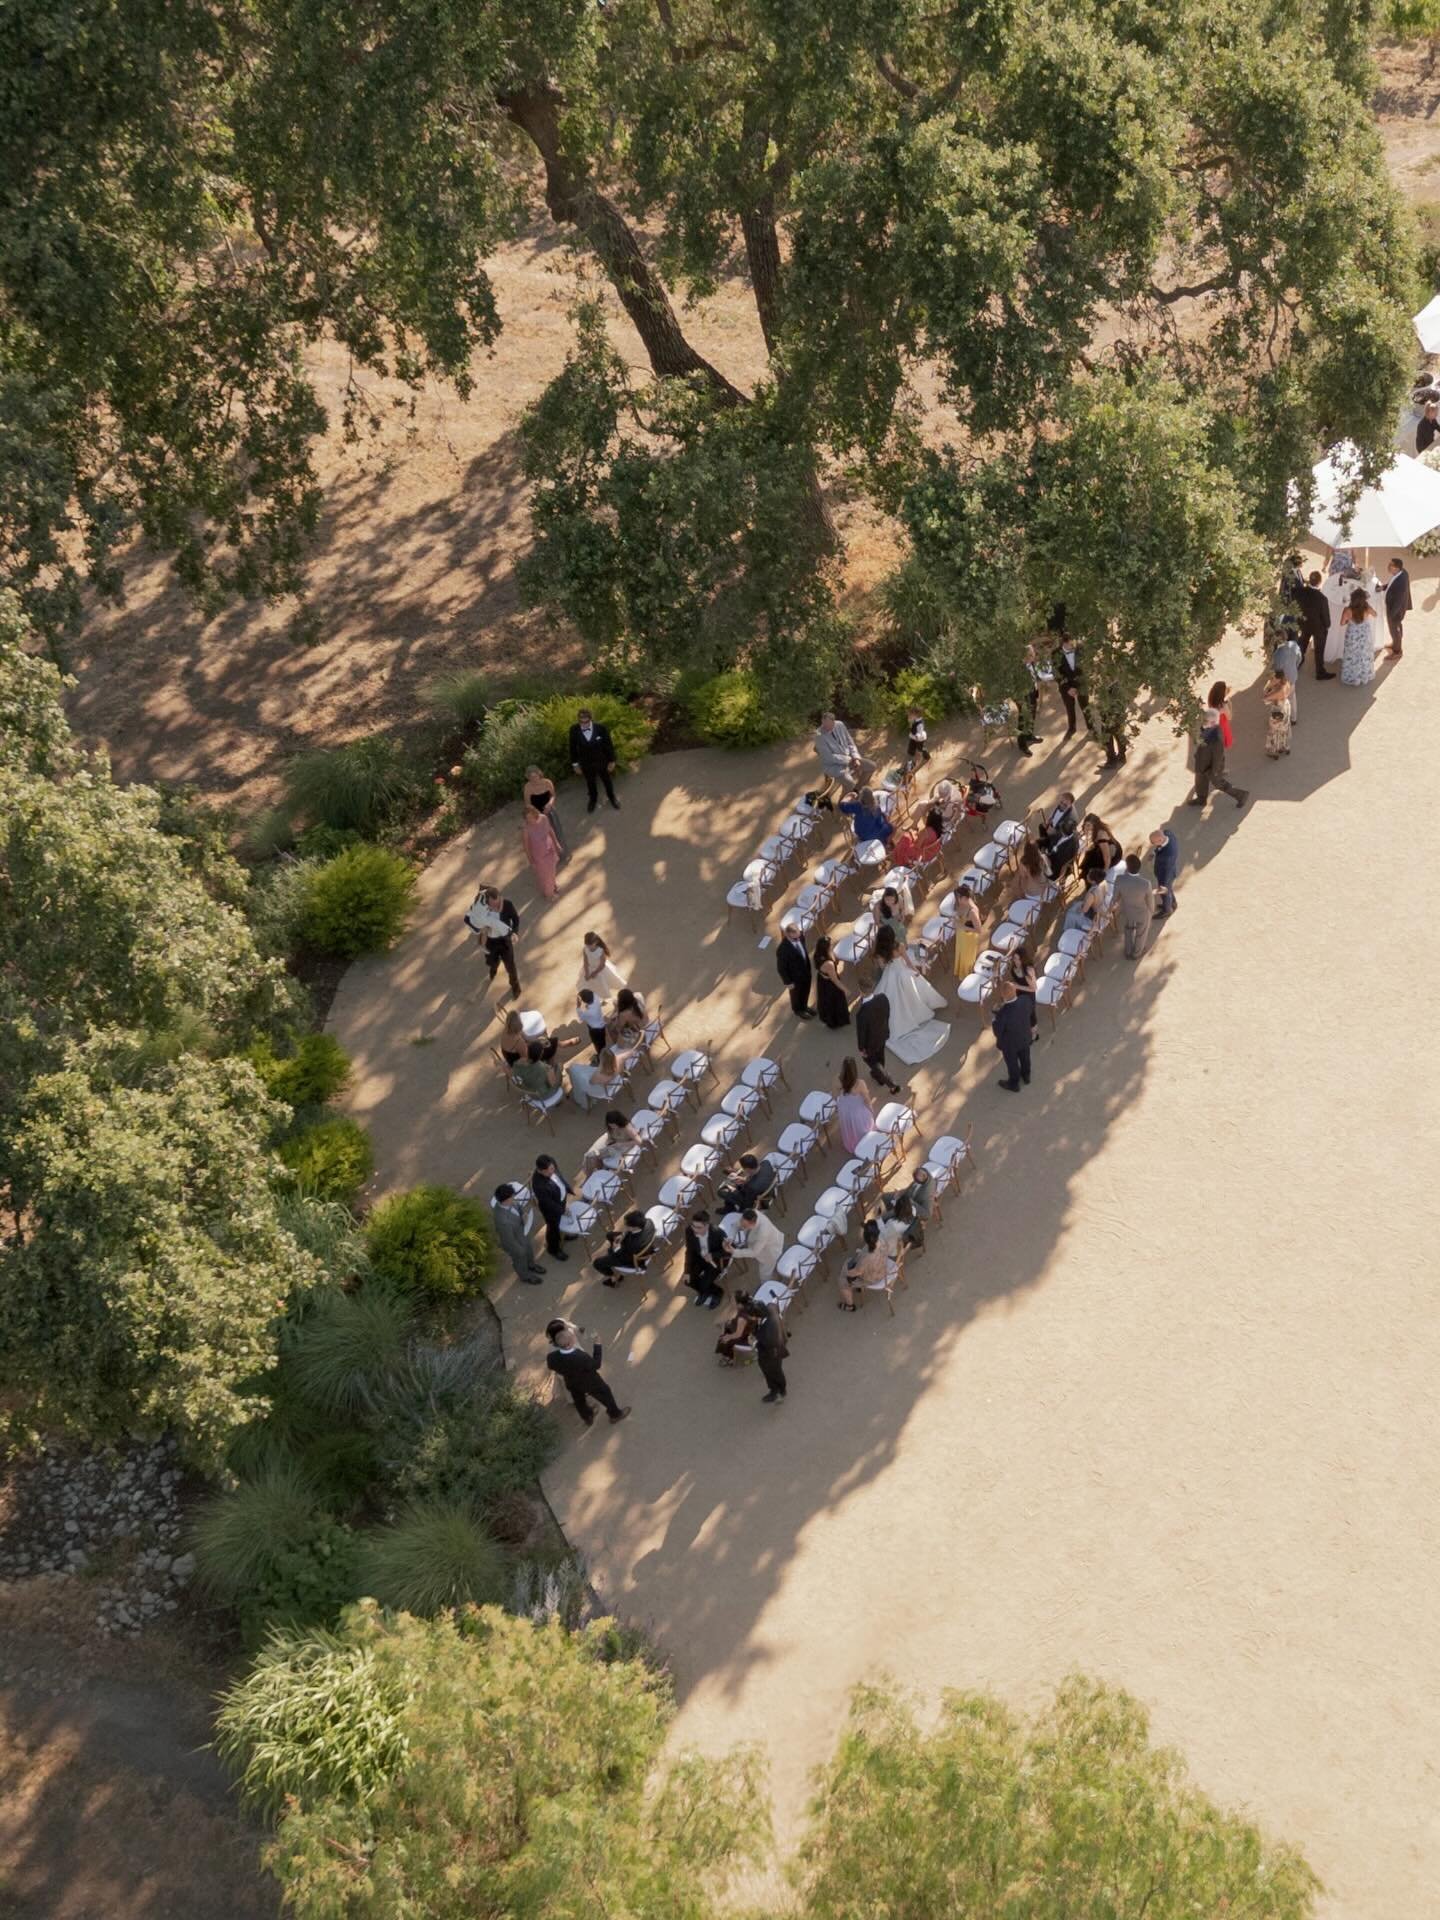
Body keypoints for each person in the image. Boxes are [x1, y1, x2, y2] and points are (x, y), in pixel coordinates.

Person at [546, 1319, 629, 1426]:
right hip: (590, 1382)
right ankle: (615, 1414)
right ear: (570, 1343)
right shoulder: (580, 1356)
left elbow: (551, 1366)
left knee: (579, 1401)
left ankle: (587, 1417)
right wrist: (597, 1345)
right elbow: (596, 1365)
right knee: (605, 1393)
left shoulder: (552, 1357)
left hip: (572, 1383)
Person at [874, 921, 946, 1043]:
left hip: (890, 974)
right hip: (902, 973)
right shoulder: (900, 946)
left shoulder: (879, 952)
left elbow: (882, 967)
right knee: (911, 994)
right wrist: (915, 971)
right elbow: (908, 962)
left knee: (892, 998)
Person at [1188, 682, 1249, 809]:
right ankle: (1201, 798)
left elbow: (1217, 753)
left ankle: (1240, 795)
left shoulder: (1220, 711)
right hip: (1206, 752)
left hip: (1214, 750)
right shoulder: (1211, 713)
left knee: (1216, 780)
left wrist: (1216, 768)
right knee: (1200, 774)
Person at [852, 968, 901, 1095]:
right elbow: (887, 1014)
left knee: (872, 1062)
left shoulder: (862, 1014)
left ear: (861, 991)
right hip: (883, 1034)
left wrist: (861, 1048)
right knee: (880, 1055)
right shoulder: (883, 998)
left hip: (870, 1044)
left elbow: (861, 1034)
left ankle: (891, 1083)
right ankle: (878, 1077)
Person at [1049, 612, 1095, 737]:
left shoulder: (1079, 648)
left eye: (1074, 643)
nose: (1073, 646)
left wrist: (1078, 684)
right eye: (1070, 644)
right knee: (1070, 708)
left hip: (1081, 682)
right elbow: (1056, 673)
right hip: (1066, 686)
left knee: (1085, 707)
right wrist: (1068, 688)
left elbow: (1086, 666)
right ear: (1064, 643)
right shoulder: (1055, 654)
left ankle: (1091, 729)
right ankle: (1072, 728)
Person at [568, 707, 619, 811]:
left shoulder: (601, 728)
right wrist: (575, 765)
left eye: (586, 721)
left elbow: (608, 745)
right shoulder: (574, 730)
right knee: (590, 782)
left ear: (591, 719)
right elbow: (572, 748)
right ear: (578, 720)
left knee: (607, 780)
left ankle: (612, 797)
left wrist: (612, 760)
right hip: (586, 763)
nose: (584, 724)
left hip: (602, 761)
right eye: (581, 722)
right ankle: (593, 800)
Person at [493, 1184, 546, 1284]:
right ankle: (525, 1276)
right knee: (520, 1259)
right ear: (505, 1200)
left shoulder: (511, 1202)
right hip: (514, 1241)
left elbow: (518, 1208)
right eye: (512, 1196)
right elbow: (508, 1240)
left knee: (529, 1250)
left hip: (522, 1233)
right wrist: (519, 1250)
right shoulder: (502, 1220)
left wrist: (523, 1215)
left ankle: (531, 1265)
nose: (514, 1198)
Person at [813, 711, 869, 802]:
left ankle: (857, 789)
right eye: (824, 725)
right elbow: (829, 757)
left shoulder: (840, 725)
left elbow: (850, 742)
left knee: (871, 766)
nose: (826, 728)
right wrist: (850, 760)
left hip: (850, 757)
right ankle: (842, 802)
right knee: (850, 783)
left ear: (834, 722)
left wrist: (856, 757)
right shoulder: (818, 735)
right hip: (833, 766)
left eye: (829, 725)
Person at [476, 888, 521, 999]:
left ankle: (515, 987)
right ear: (487, 900)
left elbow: (515, 919)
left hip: (504, 940)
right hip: (491, 942)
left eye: (497, 902)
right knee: (491, 960)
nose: (496, 905)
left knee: (510, 965)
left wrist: (515, 932)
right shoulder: (482, 907)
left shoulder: (507, 904)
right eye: (493, 902)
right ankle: (493, 969)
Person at [594, 1209, 656, 1286]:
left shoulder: (631, 1246)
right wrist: (623, 1235)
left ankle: (613, 1278)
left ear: (634, 1227)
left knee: (597, 1263)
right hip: (641, 1245)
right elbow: (629, 1232)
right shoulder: (649, 1222)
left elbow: (622, 1257)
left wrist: (612, 1250)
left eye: (626, 1225)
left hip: (631, 1260)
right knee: (610, 1235)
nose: (625, 1226)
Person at [991, 980, 1032, 1093]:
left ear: (1003, 996)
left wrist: (994, 1017)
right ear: (1015, 991)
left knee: (1012, 1063)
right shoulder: (1025, 1000)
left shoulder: (1002, 1014)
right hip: (1024, 1037)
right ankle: (1026, 1075)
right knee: (1025, 1057)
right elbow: (1029, 1012)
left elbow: (997, 1032)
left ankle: (1014, 1083)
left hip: (1010, 1044)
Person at [532, 1155, 576, 1260]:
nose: (553, 1171)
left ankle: (564, 1235)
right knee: (553, 1229)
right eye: (549, 1171)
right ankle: (553, 1249)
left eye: (553, 1168)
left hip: (560, 1200)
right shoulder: (539, 1185)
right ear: (540, 1170)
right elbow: (548, 1203)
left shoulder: (551, 1163)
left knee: (562, 1222)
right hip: (551, 1209)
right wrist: (562, 1210)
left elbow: (558, 1175)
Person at [1112, 853, 1154, 960]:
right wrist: (1151, 912)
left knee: (1128, 930)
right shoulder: (1145, 883)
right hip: (1142, 913)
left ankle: (1128, 950)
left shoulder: (1119, 879)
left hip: (1127, 910)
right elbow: (1150, 902)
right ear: (1139, 867)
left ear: (1127, 867)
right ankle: (1136, 953)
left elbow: (1115, 898)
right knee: (1141, 933)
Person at [749, 1293, 790, 1404]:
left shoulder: (767, 1331)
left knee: (774, 1372)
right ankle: (775, 1390)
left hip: (772, 1354)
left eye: (751, 1315)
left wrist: (754, 1341)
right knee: (771, 1372)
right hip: (771, 1350)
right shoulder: (770, 1308)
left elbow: (767, 1344)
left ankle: (779, 1391)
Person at [684, 1208, 728, 1308]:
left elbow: (729, 1251)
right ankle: (704, 1292)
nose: (695, 1229)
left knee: (704, 1282)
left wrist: (713, 1255)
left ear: (707, 1226)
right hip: (700, 1258)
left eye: (698, 1227)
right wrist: (687, 1271)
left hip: (715, 1261)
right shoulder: (689, 1231)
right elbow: (689, 1251)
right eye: (693, 1226)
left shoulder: (718, 1233)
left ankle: (718, 1293)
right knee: (688, 1280)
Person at [838, 1220, 886, 1310]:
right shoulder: (882, 1240)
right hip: (882, 1268)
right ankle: (858, 1288)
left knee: (842, 1280)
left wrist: (845, 1272)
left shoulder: (866, 1258)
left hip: (872, 1278)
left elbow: (857, 1272)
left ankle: (850, 1306)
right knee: (851, 1262)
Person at [1294, 571, 1332, 678]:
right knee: (1319, 649)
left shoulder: (1300, 592)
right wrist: (1327, 625)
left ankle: (1297, 662)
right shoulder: (1322, 598)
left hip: (1304, 623)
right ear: (1320, 582)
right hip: (1318, 627)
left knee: (1303, 642)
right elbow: (1325, 616)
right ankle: (1320, 672)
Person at [521, 803, 562, 899]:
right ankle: (549, 894)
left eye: (531, 817)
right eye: (527, 819)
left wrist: (557, 844)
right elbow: (526, 848)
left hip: (550, 848)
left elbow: (550, 830)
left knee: (552, 869)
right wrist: (531, 861)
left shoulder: (543, 818)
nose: (530, 820)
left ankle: (553, 885)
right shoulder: (526, 830)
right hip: (539, 856)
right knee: (545, 875)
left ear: (535, 813)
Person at [523, 764, 567, 855]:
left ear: (539, 774)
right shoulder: (527, 788)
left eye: (535, 776)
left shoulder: (547, 782)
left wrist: (550, 804)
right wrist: (539, 814)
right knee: (545, 836)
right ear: (528, 778)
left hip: (550, 811)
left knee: (556, 831)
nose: (534, 779)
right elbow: (528, 805)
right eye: (531, 778)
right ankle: (551, 855)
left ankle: (561, 851)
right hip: (537, 816)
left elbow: (553, 795)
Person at [1339, 584, 1378, 687]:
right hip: (1365, 633)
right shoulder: (1367, 607)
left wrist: (1349, 622)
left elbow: (1342, 623)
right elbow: (1375, 614)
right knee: (1364, 653)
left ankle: (1352, 676)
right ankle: (1364, 675)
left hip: (1352, 634)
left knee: (1352, 654)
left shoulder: (1348, 610)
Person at [730, 1207, 782, 1281]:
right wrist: (730, 1238)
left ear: (752, 1223)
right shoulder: (748, 1215)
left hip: (769, 1251)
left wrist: (734, 1252)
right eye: (741, 1221)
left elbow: (754, 1252)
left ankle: (766, 1286)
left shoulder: (763, 1232)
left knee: (764, 1274)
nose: (742, 1226)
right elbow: (735, 1225)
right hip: (759, 1244)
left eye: (744, 1226)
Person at [776, 920, 815, 1021]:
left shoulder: (800, 936)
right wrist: (788, 982)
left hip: (806, 971)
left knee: (806, 990)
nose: (799, 937)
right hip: (795, 978)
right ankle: (798, 1010)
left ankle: (805, 1006)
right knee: (796, 995)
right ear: (788, 935)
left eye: (799, 934)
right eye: (796, 936)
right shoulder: (782, 949)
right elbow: (781, 968)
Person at [837, 1056, 878, 1152]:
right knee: (862, 1127)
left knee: (849, 1126)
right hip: (856, 1111)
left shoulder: (837, 1079)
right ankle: (863, 1144)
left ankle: (852, 1141)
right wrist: (871, 1109)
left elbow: (836, 1095)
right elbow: (866, 1099)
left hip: (844, 1109)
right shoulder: (860, 1083)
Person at [1036, 793, 1079, 878]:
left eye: (1065, 804)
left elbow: (1060, 860)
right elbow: (1055, 812)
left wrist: (1047, 856)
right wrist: (1049, 821)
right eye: (1061, 802)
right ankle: (1042, 848)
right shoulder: (1061, 806)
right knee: (1040, 829)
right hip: (1054, 840)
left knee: (1040, 867)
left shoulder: (1071, 819)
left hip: (1056, 861)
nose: (1061, 805)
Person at [569, 1047, 625, 1111]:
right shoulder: (618, 1065)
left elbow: (591, 1082)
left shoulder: (598, 1074)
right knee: (584, 1070)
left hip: (604, 1091)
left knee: (575, 1071)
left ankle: (579, 1098)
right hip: (616, 1084)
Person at [814, 934, 850, 1029]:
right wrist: (845, 989)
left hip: (823, 980)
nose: (832, 945)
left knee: (826, 1000)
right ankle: (835, 1021)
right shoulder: (828, 964)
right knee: (833, 1002)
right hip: (830, 984)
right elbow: (835, 980)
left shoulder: (818, 954)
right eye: (830, 945)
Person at [577, 931, 627, 997]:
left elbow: (602, 965)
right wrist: (586, 973)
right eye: (587, 945)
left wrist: (595, 973)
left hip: (600, 970)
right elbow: (585, 961)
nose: (589, 947)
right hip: (589, 968)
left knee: (603, 984)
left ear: (596, 942)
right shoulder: (585, 949)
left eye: (590, 945)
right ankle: (595, 998)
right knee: (590, 985)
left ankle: (604, 997)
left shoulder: (601, 951)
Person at [1078, 815, 1122, 888]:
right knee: (1089, 855)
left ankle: (1091, 882)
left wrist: (1103, 874)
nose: (1086, 827)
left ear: (1095, 825)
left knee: (1093, 865)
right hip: (1102, 849)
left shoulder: (1101, 835)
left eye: (1088, 825)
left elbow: (1107, 858)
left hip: (1112, 856)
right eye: (1085, 824)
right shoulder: (1094, 830)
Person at [951, 883, 984, 979]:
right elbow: (957, 910)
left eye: (958, 898)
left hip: (968, 938)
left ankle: (966, 975)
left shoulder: (973, 912)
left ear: (964, 898)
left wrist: (961, 926)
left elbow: (979, 930)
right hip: (961, 934)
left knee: (966, 957)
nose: (956, 900)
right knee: (960, 952)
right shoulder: (962, 903)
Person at [1271, 626, 1302, 725]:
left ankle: (1280, 719)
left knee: (1281, 699)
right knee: (1292, 697)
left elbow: (1277, 668)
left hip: (1283, 680)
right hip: (1293, 676)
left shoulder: (1278, 654)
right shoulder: (1294, 645)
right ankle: (1294, 718)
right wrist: (1295, 667)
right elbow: (1299, 658)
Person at [1384, 556, 1412, 658]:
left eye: (1390, 565)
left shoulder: (1401, 582)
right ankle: (1395, 643)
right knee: (1396, 628)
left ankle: (1397, 651)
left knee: (1394, 629)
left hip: (1395, 610)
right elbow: (1392, 584)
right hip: (1396, 608)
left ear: (1396, 568)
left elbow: (1399, 600)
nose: (1388, 566)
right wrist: (1384, 587)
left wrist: (1392, 614)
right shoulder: (1402, 572)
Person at [1149, 826, 1180, 917]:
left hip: (1166, 875)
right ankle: (1173, 903)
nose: (1152, 844)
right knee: (1169, 890)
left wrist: (1163, 885)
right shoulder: (1167, 833)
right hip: (1168, 870)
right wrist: (1155, 852)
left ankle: (1167, 910)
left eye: (1153, 842)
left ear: (1160, 840)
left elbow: (1166, 871)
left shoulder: (1167, 856)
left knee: (1165, 893)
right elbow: (1159, 848)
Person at [1262, 668, 1293, 758]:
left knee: (1273, 731)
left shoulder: (1279, 690)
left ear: (1278, 678)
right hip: (1286, 706)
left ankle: (1272, 751)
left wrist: (1269, 685)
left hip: (1278, 710)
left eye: (1274, 677)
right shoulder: (1287, 682)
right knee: (1284, 728)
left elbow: (1264, 698)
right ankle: (1284, 747)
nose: (1273, 679)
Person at [575, 987, 610, 1057]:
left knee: (597, 1044)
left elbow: (581, 1017)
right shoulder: (595, 996)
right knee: (602, 1042)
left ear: (585, 1001)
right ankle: (603, 1053)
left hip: (595, 1031)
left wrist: (578, 1006)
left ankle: (601, 1057)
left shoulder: (589, 1012)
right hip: (601, 1025)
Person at [905, 707, 932, 772]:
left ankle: (927, 756)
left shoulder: (920, 724)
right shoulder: (915, 720)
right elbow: (912, 724)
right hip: (913, 737)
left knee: (921, 748)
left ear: (915, 715)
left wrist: (913, 736)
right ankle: (910, 758)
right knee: (911, 748)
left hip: (919, 739)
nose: (910, 715)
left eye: (911, 714)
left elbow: (919, 735)